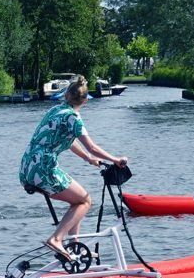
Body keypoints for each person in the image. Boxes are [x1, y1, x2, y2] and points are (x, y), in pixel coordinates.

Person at [18, 75, 127, 261]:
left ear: (67, 95)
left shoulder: (56, 110)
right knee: (85, 201)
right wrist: (116, 160)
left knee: (77, 201)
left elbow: (68, 141)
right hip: (44, 167)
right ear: (85, 101)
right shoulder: (74, 118)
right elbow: (91, 146)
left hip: (28, 166)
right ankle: (57, 239)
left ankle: (74, 246)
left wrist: (88, 159)